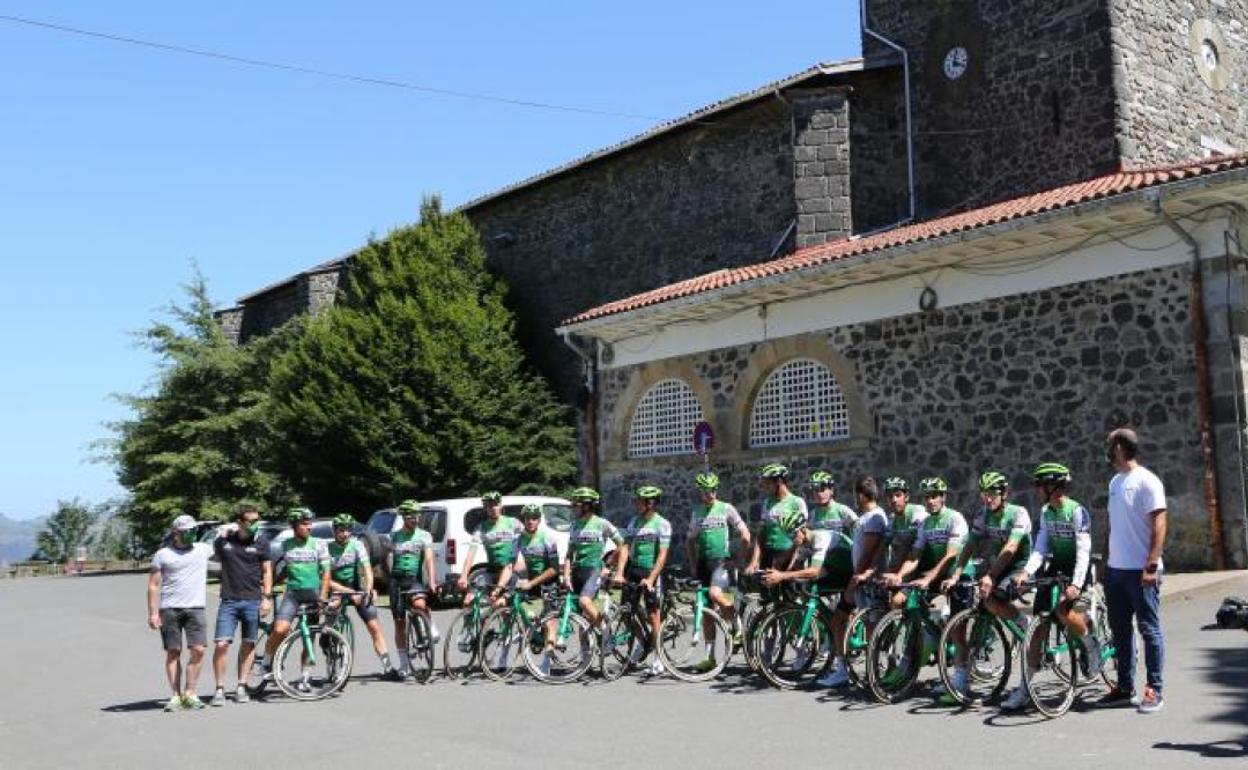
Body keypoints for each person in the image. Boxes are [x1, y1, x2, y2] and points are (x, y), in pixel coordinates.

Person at [939, 471, 1032, 707]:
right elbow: (970, 544)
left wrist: (990, 576)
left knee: (992, 599)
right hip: (995, 567)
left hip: (1019, 568)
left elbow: (1011, 548)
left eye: (992, 494)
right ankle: (964, 676)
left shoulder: (1018, 513)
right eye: (984, 494)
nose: (988, 499)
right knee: (979, 603)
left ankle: (1023, 623)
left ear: (1004, 494)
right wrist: (957, 573)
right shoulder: (983, 515)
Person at [1012, 462, 1099, 708]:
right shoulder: (1046, 511)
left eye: (1040, 485)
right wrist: (1026, 572)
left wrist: (1076, 584)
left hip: (1078, 569)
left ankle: (1090, 645)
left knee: (1063, 610)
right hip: (1057, 566)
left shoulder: (1077, 511)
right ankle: (1025, 689)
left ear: (1054, 486)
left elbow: (1084, 551)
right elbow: (1041, 547)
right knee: (1039, 627)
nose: (1036, 489)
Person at [1103, 428, 1167, 714]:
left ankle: (1154, 690)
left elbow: (1160, 524)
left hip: (1141, 572)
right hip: (1116, 572)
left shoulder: (1147, 481)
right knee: (1119, 631)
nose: (1107, 449)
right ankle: (1124, 686)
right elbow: (1114, 526)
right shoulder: (1115, 482)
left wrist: (1151, 565)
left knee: (1149, 631)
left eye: (1109, 444)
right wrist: (1104, 563)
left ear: (1118, 446)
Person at [821, 476, 890, 688]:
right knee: (840, 620)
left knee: (871, 626)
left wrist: (855, 579)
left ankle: (876, 669)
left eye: (856, 494)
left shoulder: (876, 518)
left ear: (861, 495)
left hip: (867, 581)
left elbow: (869, 552)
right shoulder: (866, 517)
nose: (855, 498)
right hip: (859, 578)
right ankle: (845, 668)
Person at [147, 514, 213, 711]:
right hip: (170, 608)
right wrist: (152, 613)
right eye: (188, 531)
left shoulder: (203, 549)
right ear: (176, 532)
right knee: (173, 652)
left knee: (199, 650)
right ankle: (175, 695)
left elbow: (229, 544)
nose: (193, 534)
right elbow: (153, 585)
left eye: (194, 531)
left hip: (196, 607)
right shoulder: (163, 554)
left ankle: (190, 693)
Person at [326, 513, 402, 682]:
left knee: (375, 626)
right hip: (336, 588)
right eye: (341, 530)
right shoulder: (327, 548)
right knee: (330, 617)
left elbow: (367, 569)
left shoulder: (357, 545)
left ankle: (388, 667)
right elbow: (327, 580)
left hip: (356, 587)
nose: (345, 534)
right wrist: (347, 592)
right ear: (334, 531)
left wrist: (368, 589)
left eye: (348, 530)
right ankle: (329, 644)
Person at [209, 505, 272, 706]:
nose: (256, 524)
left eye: (257, 520)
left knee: (249, 643)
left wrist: (267, 597)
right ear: (240, 522)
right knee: (221, 644)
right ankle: (219, 689)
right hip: (229, 600)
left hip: (253, 600)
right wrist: (222, 534)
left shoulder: (262, 542)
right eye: (251, 521)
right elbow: (211, 553)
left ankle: (241, 686)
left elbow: (267, 571)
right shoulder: (224, 541)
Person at [262, 508, 330, 690]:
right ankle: (267, 662)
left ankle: (305, 677)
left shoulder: (319, 544)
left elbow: (326, 573)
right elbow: (283, 569)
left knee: (309, 638)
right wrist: (270, 586)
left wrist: (323, 597)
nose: (309, 527)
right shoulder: (285, 545)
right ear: (294, 526)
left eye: (310, 523)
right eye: (304, 523)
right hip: (293, 594)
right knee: (280, 628)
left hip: (313, 594)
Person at [685, 472, 752, 647]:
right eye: (706, 491)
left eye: (713, 490)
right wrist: (692, 565)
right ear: (700, 491)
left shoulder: (726, 508)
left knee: (715, 594)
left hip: (721, 562)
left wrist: (739, 560)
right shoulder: (697, 512)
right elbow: (690, 540)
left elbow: (745, 534)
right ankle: (710, 657)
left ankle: (736, 626)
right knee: (707, 612)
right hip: (703, 563)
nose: (710, 494)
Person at [615, 485, 672, 676]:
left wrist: (651, 579)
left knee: (654, 615)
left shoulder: (662, 524)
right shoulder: (633, 522)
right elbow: (625, 548)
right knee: (625, 612)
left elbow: (662, 555)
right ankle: (644, 641)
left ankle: (658, 656)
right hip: (634, 570)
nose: (636, 504)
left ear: (650, 503)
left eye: (639, 501)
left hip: (651, 571)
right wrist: (620, 572)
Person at [561, 487, 624, 635]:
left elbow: (622, 544)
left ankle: (606, 632)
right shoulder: (574, 525)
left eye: (576, 505)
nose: (573, 508)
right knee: (582, 618)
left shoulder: (602, 523)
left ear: (587, 505)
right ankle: (586, 656)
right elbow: (569, 554)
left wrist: (609, 564)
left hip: (594, 569)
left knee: (584, 602)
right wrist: (566, 575)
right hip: (578, 571)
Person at [386, 500, 438, 681]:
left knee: (420, 604)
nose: (415, 519)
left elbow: (430, 559)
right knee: (399, 622)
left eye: (417, 516)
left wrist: (432, 580)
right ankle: (404, 664)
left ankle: (429, 627)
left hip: (414, 578)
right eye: (411, 516)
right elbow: (386, 559)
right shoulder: (393, 537)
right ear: (403, 517)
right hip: (396, 580)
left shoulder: (424, 535)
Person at [514, 503, 562, 676]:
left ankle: (546, 662)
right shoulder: (519, 539)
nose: (531, 521)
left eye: (534, 518)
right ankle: (528, 643)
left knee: (550, 620)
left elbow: (555, 569)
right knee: (519, 609)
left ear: (539, 520)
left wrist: (531, 582)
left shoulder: (547, 537)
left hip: (549, 581)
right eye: (528, 518)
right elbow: (512, 563)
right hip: (532, 582)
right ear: (524, 520)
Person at [457, 491, 523, 608]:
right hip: (491, 570)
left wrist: (524, 562)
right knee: (469, 600)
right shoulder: (481, 528)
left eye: (496, 504)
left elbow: (528, 542)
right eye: (489, 506)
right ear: (485, 508)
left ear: (501, 506)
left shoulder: (513, 523)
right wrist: (463, 576)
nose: (493, 508)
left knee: (501, 605)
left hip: (510, 570)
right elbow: (471, 553)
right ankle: (478, 625)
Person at [748, 463, 809, 577]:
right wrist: (754, 561)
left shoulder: (797, 502)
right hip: (768, 554)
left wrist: (792, 557)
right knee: (767, 594)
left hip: (789, 554)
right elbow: (761, 535)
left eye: (768, 483)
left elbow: (802, 535)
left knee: (788, 594)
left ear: (779, 481)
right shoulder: (767, 502)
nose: (765, 486)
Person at [882, 477, 928, 573]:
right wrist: (870, 570)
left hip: (923, 566)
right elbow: (882, 546)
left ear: (906, 497)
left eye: (898, 495)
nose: (894, 500)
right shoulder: (892, 518)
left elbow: (910, 547)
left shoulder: (917, 512)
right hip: (907, 568)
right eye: (890, 496)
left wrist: (895, 573)